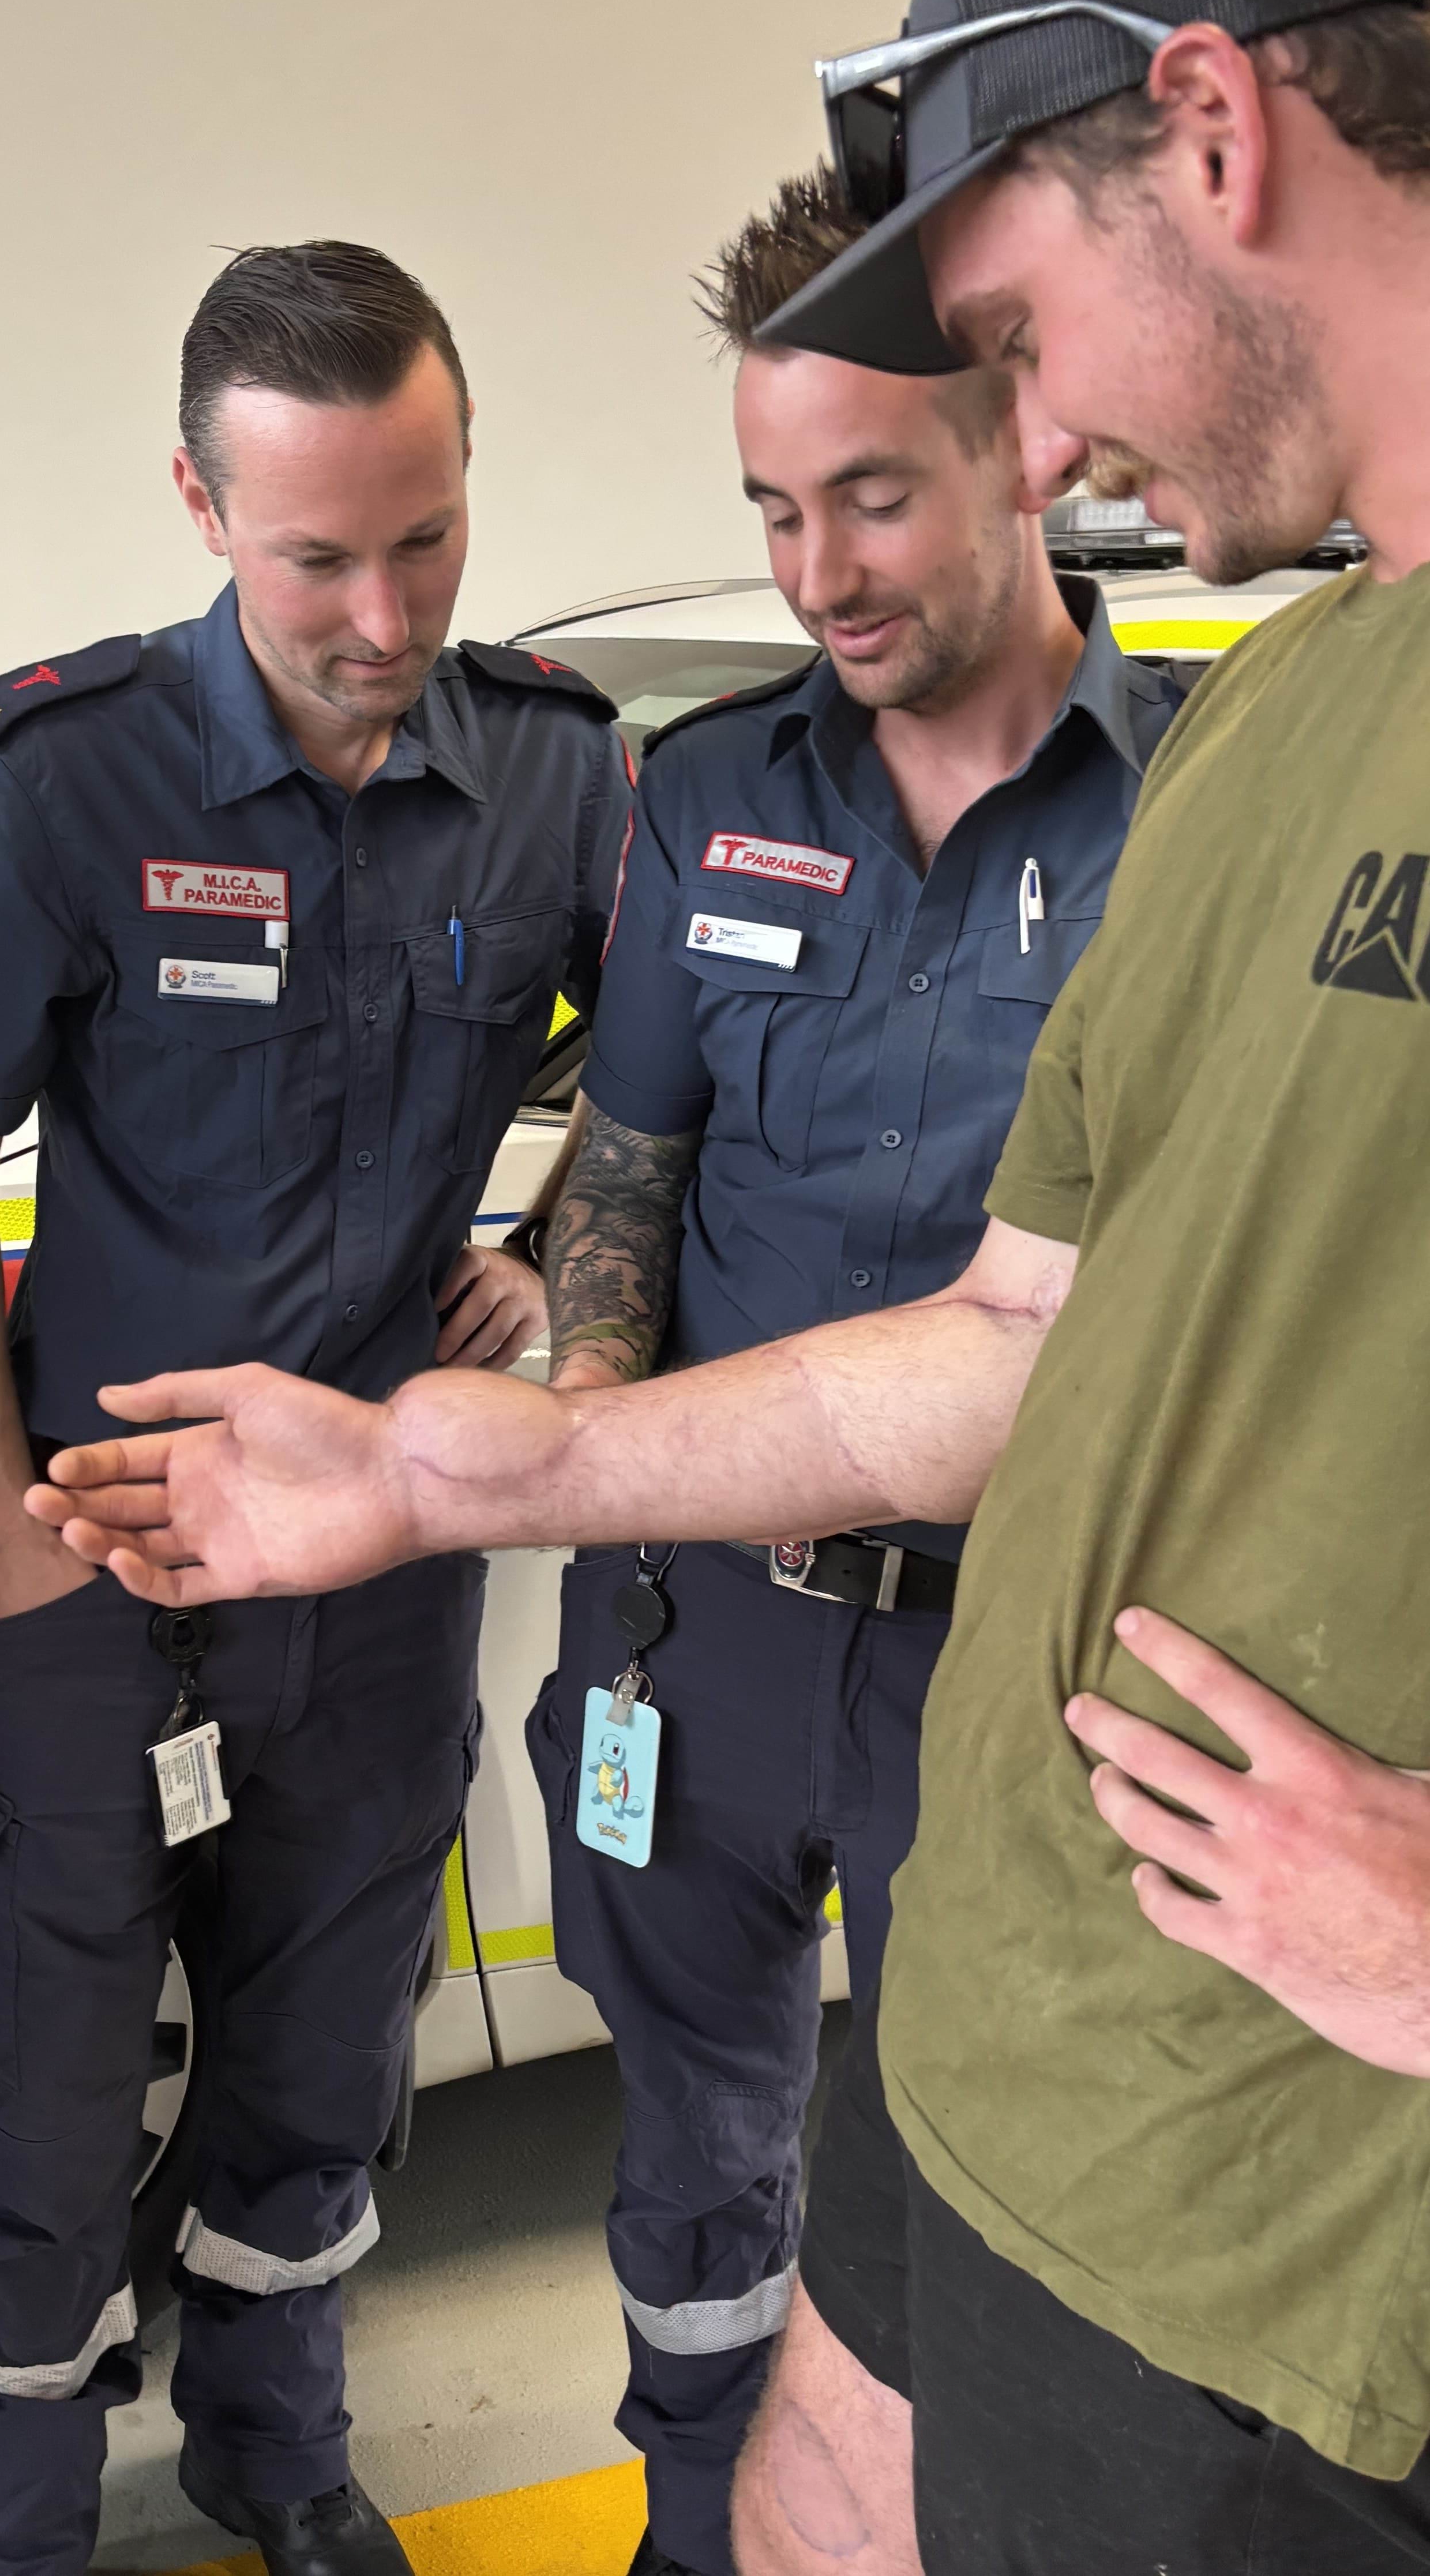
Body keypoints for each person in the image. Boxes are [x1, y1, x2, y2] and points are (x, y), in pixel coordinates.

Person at [27, 0, 1430, 2576]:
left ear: (1215, 130)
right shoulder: (1312, 702)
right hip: (994, 2051)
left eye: (1013, 330)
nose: (1032, 428)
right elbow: (1017, 1340)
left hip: (1301, 2186)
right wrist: (499, 1463)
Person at [0, 241, 629, 2576]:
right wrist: (5, 1512)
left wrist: (557, 1244)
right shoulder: (62, 765)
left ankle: (276, 2466)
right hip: (109, 1565)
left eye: (428, 538)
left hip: (379, 1568)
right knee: (58, 2089)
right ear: (200, 505)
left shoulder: (559, 773)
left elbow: (670, 1065)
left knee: (325, 2069)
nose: (385, 611)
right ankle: (9, 2528)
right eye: (322, 555)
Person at [528, 169, 1178, 2576]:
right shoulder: (703, 797)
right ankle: (702, 2528)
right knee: (691, 2111)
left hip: (1009, 1654)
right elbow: (628, 1167)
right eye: (775, 512)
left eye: (876, 494)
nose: (818, 573)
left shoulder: (1199, 815)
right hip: (697, 1631)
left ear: (1029, 443)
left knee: (985, 2167)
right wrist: (584, 1429)